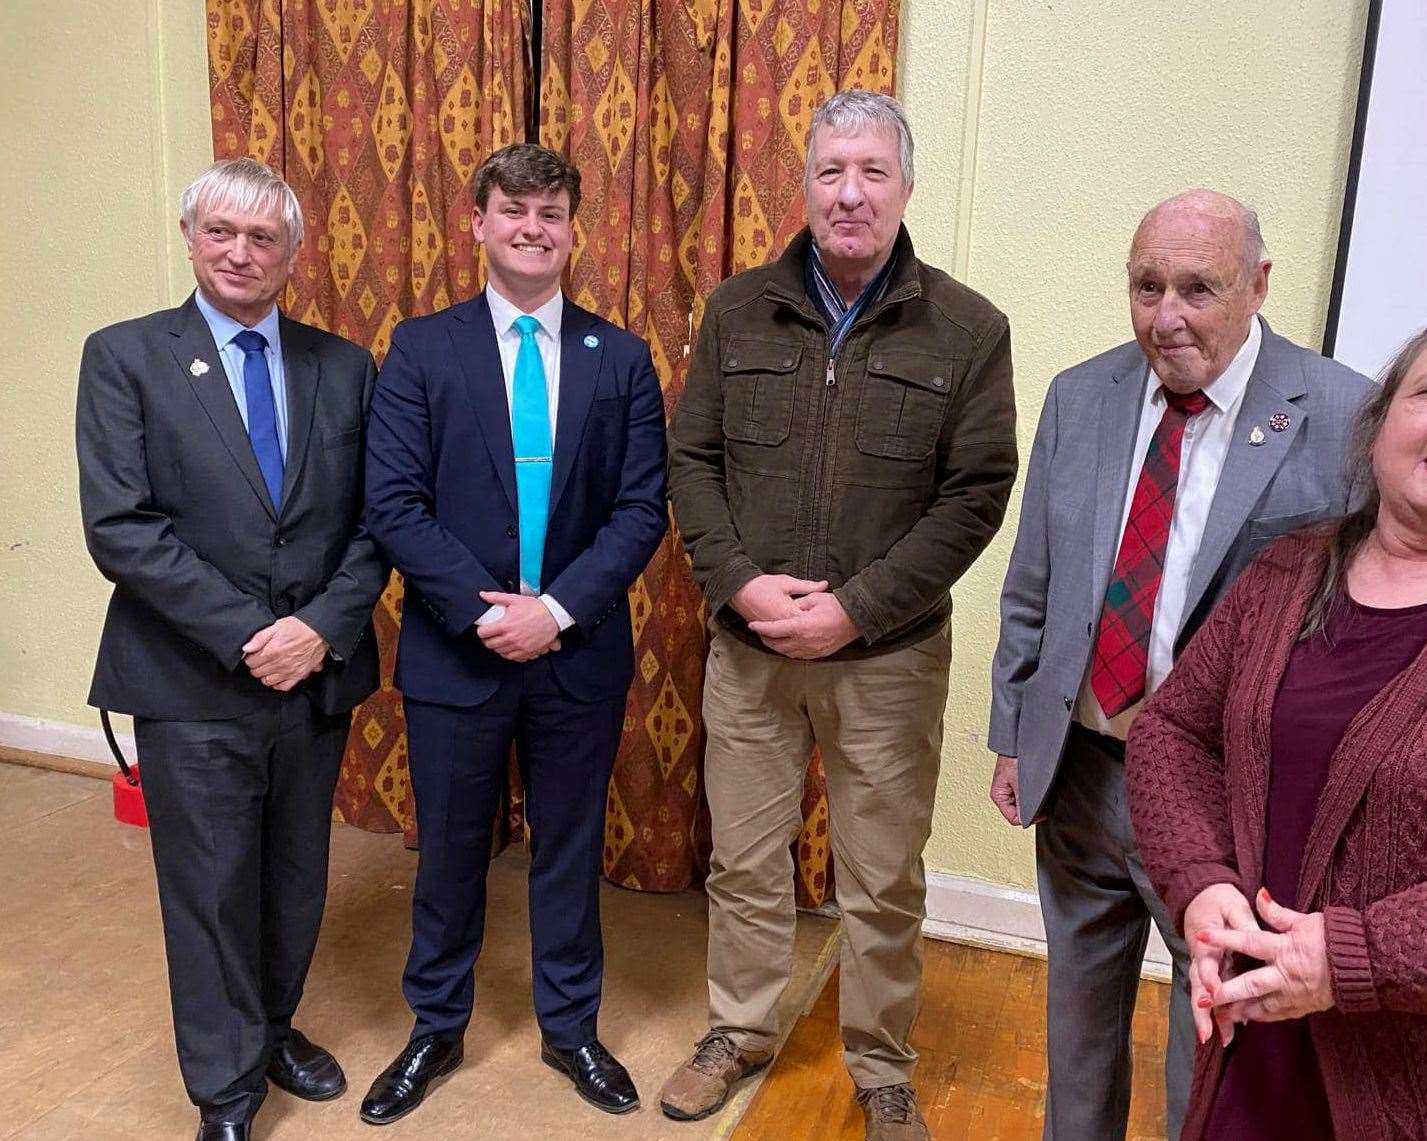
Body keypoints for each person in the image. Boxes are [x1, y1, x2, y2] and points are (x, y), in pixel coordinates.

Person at [663, 89, 1018, 1141]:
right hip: (751, 645)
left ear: (906, 186)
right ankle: (738, 1030)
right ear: (805, 183)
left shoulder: (967, 327)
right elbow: (692, 461)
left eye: (871, 171)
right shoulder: (735, 311)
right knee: (744, 860)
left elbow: (975, 493)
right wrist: (738, 583)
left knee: (880, 874)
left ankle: (881, 1063)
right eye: (830, 171)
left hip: (888, 658)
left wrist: (856, 610)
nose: (850, 192)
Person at [986, 190, 1373, 1138]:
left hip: (1222, 793)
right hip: (1080, 766)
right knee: (1076, 1016)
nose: (1168, 316)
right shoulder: (1084, 394)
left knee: (1210, 1036)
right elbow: (1034, 575)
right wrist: (1012, 730)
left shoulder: (1344, 412)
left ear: (1259, 285)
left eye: (1199, 288)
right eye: (1147, 286)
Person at [1125, 308, 1427, 1140]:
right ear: (1379, 425)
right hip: (1252, 1049)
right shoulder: (1289, 568)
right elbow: (1173, 732)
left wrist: (1350, 958)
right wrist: (1202, 882)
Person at [76, 158, 385, 1141]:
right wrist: (253, 633)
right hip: (191, 675)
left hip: (315, 672)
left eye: (262, 237)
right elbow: (122, 527)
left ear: (292, 252)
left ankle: (275, 1025)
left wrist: (319, 630)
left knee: (295, 875)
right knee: (209, 888)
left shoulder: (342, 366)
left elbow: (376, 525)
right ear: (190, 236)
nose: (240, 252)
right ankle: (226, 1085)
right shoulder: (125, 356)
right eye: (222, 231)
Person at [359, 143, 667, 1124]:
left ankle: (570, 1026)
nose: (532, 228)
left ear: (575, 232)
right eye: (514, 211)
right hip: (459, 649)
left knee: (568, 846)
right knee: (449, 846)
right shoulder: (421, 348)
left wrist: (556, 612)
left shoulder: (616, 357)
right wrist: (489, 611)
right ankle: (435, 1024)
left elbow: (639, 506)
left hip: (576, 650)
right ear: (479, 224)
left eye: (551, 213)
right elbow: (394, 504)